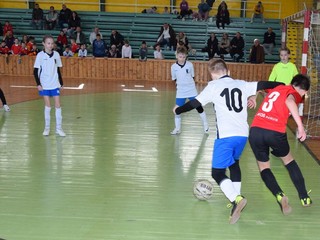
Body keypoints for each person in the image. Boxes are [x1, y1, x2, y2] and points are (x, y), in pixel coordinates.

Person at [173, 58, 283, 224]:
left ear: (212, 74)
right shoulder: (242, 83)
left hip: (226, 136)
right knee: (234, 163)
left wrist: (178, 110)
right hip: (243, 134)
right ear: (228, 72)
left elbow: (195, 103)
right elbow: (264, 84)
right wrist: (282, 86)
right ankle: (235, 202)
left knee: (217, 173)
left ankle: (236, 199)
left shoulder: (213, 86)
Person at [249, 74, 312, 216]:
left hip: (256, 130)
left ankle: (279, 195)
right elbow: (290, 101)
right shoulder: (293, 93)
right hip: (274, 131)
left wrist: (254, 96)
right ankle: (304, 198)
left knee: (264, 167)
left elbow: (259, 84)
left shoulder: (278, 87)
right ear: (304, 91)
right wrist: (300, 126)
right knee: (289, 161)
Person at [170, 46, 209, 135]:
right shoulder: (173, 67)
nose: (182, 59)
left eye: (184, 57)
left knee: (198, 106)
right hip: (180, 91)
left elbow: (192, 76)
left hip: (191, 89)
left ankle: (205, 124)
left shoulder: (190, 65)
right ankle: (177, 128)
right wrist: (180, 85)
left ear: (186, 56)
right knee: (177, 109)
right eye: (180, 57)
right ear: (176, 56)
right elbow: (174, 79)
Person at [33, 35, 66, 137]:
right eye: (48, 43)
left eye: (52, 43)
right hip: (44, 84)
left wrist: (61, 83)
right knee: (48, 106)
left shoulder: (56, 54)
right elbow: (35, 71)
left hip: (54, 84)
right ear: (43, 44)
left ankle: (59, 129)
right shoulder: (40, 55)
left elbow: (58, 70)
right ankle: (47, 128)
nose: (50, 45)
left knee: (58, 105)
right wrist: (38, 84)